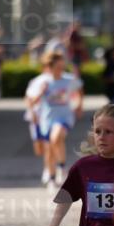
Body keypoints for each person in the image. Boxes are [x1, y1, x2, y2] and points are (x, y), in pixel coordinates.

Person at [29, 51, 84, 187]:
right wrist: (41, 93)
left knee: (56, 137)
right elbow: (32, 101)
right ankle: (52, 177)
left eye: (62, 67)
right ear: (50, 67)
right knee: (49, 149)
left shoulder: (69, 79)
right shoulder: (42, 81)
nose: (60, 70)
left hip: (64, 116)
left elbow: (79, 90)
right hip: (47, 118)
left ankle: (62, 167)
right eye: (57, 67)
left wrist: (79, 105)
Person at [25, 52, 55, 184]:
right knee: (39, 149)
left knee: (49, 145)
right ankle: (49, 166)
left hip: (50, 117)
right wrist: (32, 113)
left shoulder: (58, 80)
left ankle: (49, 170)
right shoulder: (37, 81)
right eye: (48, 65)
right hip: (36, 117)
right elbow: (29, 100)